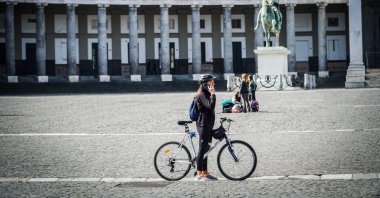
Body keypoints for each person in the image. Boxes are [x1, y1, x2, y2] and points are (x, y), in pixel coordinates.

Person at [194, 74, 218, 181]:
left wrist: (212, 94)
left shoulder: (207, 94)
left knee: (206, 149)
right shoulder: (201, 95)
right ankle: (199, 173)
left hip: (208, 125)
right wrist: (213, 94)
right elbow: (211, 107)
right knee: (202, 149)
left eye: (213, 82)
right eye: (210, 82)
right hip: (203, 125)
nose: (213, 84)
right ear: (204, 84)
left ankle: (205, 172)